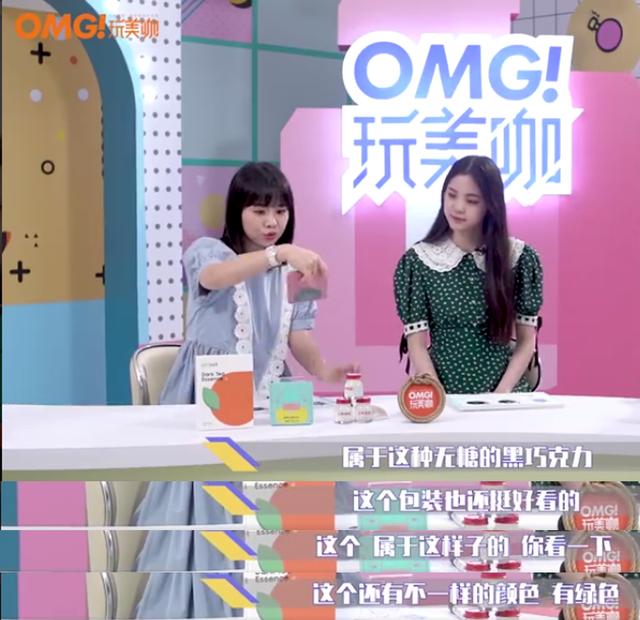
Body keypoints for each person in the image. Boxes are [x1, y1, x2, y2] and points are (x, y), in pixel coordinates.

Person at [134, 162, 357, 619]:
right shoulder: (209, 251)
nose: (271, 222)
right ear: (237, 211)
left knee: (317, 477)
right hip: (211, 398)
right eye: (259, 211)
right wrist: (279, 254)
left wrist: (326, 370)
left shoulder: (295, 269)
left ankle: (296, 600)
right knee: (216, 501)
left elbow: (299, 335)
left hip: (272, 395)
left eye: (280, 211)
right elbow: (215, 278)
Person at [394, 155, 543, 394]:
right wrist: (439, 397)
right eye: (451, 195)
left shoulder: (519, 258)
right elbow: (417, 345)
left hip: (507, 398)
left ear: (491, 205)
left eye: (471, 200)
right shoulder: (419, 261)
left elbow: (526, 342)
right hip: (445, 397)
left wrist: (500, 396)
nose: (458, 207)